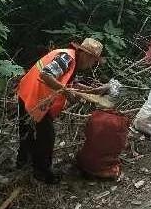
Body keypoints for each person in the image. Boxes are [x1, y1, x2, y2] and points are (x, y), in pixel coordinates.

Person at [17, 38, 108, 184]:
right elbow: (46, 75)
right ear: (86, 55)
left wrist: (92, 91)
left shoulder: (71, 60)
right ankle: (43, 173)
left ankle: (24, 164)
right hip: (34, 96)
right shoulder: (67, 58)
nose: (92, 65)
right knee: (46, 136)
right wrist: (65, 92)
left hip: (29, 93)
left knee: (28, 132)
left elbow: (67, 82)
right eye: (93, 61)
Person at [76, 103, 129, 180]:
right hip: (104, 169)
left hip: (84, 162)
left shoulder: (95, 116)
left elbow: (87, 133)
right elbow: (121, 144)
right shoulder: (120, 122)